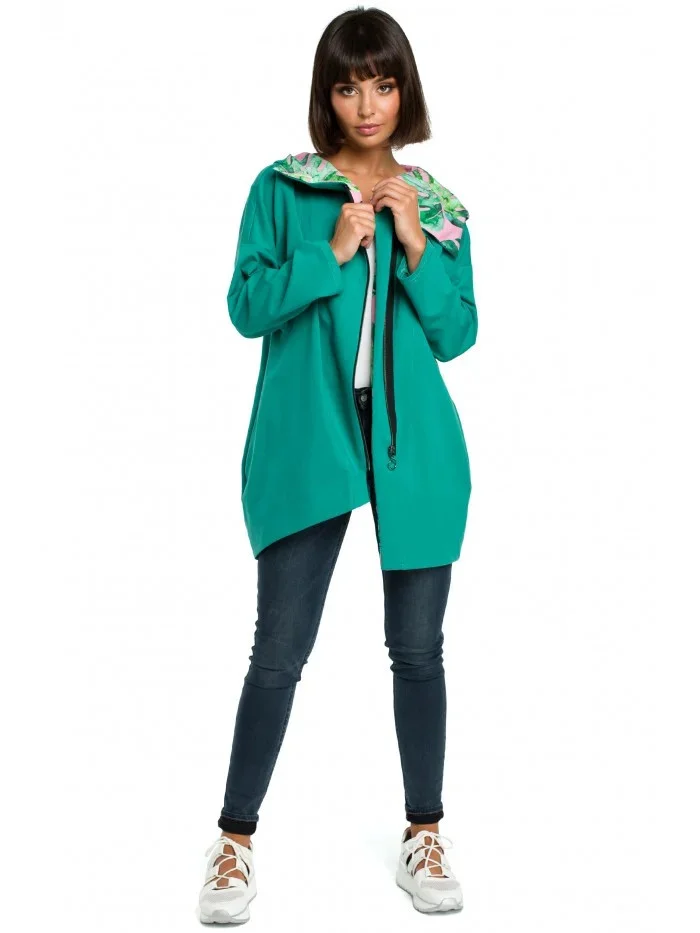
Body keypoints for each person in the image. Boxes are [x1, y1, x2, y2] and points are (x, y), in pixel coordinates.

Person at [198, 6, 478, 923]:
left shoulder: (436, 204)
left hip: (415, 445)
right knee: (278, 650)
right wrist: (330, 254)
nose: (366, 105)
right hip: (308, 437)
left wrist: (412, 243)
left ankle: (424, 831)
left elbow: (458, 332)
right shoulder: (283, 188)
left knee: (419, 649)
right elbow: (246, 306)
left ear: (405, 91)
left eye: (383, 85)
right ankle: (234, 840)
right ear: (327, 95)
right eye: (349, 86)